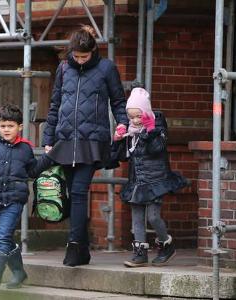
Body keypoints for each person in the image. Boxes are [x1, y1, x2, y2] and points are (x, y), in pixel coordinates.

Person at [42, 25, 128, 267]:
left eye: (84, 56)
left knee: (79, 192)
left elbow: (118, 101)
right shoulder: (64, 68)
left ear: (93, 51)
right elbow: (55, 104)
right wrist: (48, 139)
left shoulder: (106, 68)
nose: (79, 61)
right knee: (71, 193)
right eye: (76, 56)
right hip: (65, 139)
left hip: (92, 141)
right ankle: (83, 251)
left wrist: (122, 125)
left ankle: (73, 246)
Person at [0, 103, 52, 289]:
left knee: (2, 236)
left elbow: (32, 171)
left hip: (14, 201)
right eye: (3, 126)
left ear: (20, 127)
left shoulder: (25, 149)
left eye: (11, 126)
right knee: (2, 238)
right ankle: (19, 273)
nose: (6, 129)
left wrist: (47, 158)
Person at [111, 87, 188, 267]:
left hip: (156, 181)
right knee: (136, 217)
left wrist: (149, 131)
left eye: (139, 116)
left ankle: (166, 245)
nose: (135, 121)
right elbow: (121, 157)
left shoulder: (157, 126)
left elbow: (157, 149)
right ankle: (140, 253)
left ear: (146, 112)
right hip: (137, 181)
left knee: (153, 217)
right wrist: (118, 139)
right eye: (131, 117)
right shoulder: (131, 132)